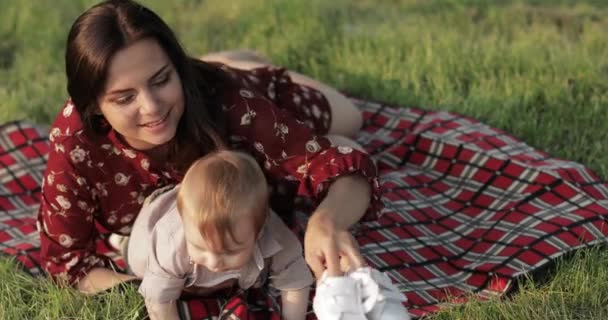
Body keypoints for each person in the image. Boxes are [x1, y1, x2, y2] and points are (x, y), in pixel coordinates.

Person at [37, 0, 382, 299]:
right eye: (125, 97)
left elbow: (341, 165)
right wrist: (159, 285)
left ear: (177, 70)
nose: (152, 107)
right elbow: (68, 263)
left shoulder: (230, 103)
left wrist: (326, 220)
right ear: (94, 105)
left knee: (350, 123)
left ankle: (241, 66)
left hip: (243, 90)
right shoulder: (75, 142)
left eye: (161, 79)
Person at [127, 150, 313, 320]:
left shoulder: (274, 234)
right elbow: (159, 301)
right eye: (199, 247)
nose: (214, 262)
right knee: (141, 266)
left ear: (259, 232)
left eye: (229, 251)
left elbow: (295, 279)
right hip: (151, 234)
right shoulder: (170, 243)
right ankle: (123, 243)